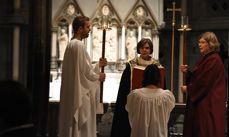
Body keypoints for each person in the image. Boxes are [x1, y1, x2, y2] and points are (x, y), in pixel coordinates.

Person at [58, 16, 107, 137]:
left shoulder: (71, 45)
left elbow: (81, 70)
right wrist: (98, 77)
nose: (90, 29)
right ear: (80, 29)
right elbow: (86, 72)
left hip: (72, 93)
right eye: (88, 27)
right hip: (80, 95)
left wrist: (97, 66)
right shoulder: (79, 46)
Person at [110, 38, 164, 137]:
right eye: (142, 48)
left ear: (151, 50)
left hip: (152, 104)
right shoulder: (131, 66)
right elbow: (124, 88)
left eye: (147, 48)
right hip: (136, 104)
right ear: (139, 50)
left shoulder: (157, 66)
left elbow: (162, 85)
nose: (144, 50)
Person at [180, 32, 226, 137]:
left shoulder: (214, 59)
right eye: (199, 42)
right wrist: (187, 73)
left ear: (210, 44)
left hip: (208, 104)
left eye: (203, 42)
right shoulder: (206, 58)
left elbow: (205, 82)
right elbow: (199, 78)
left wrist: (188, 88)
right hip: (203, 104)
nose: (199, 45)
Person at [126, 64, 175, 137]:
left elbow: (131, 113)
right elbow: (167, 113)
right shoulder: (166, 96)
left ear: (144, 77)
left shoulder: (134, 95)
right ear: (159, 78)